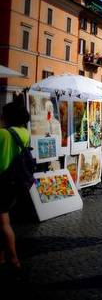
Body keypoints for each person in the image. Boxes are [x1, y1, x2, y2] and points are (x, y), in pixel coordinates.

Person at [0, 98, 30, 273]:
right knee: (3, 219)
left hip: (2, 181)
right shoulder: (24, 133)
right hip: (16, 181)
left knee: (3, 223)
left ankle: (14, 259)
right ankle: (2, 256)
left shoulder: (3, 134)